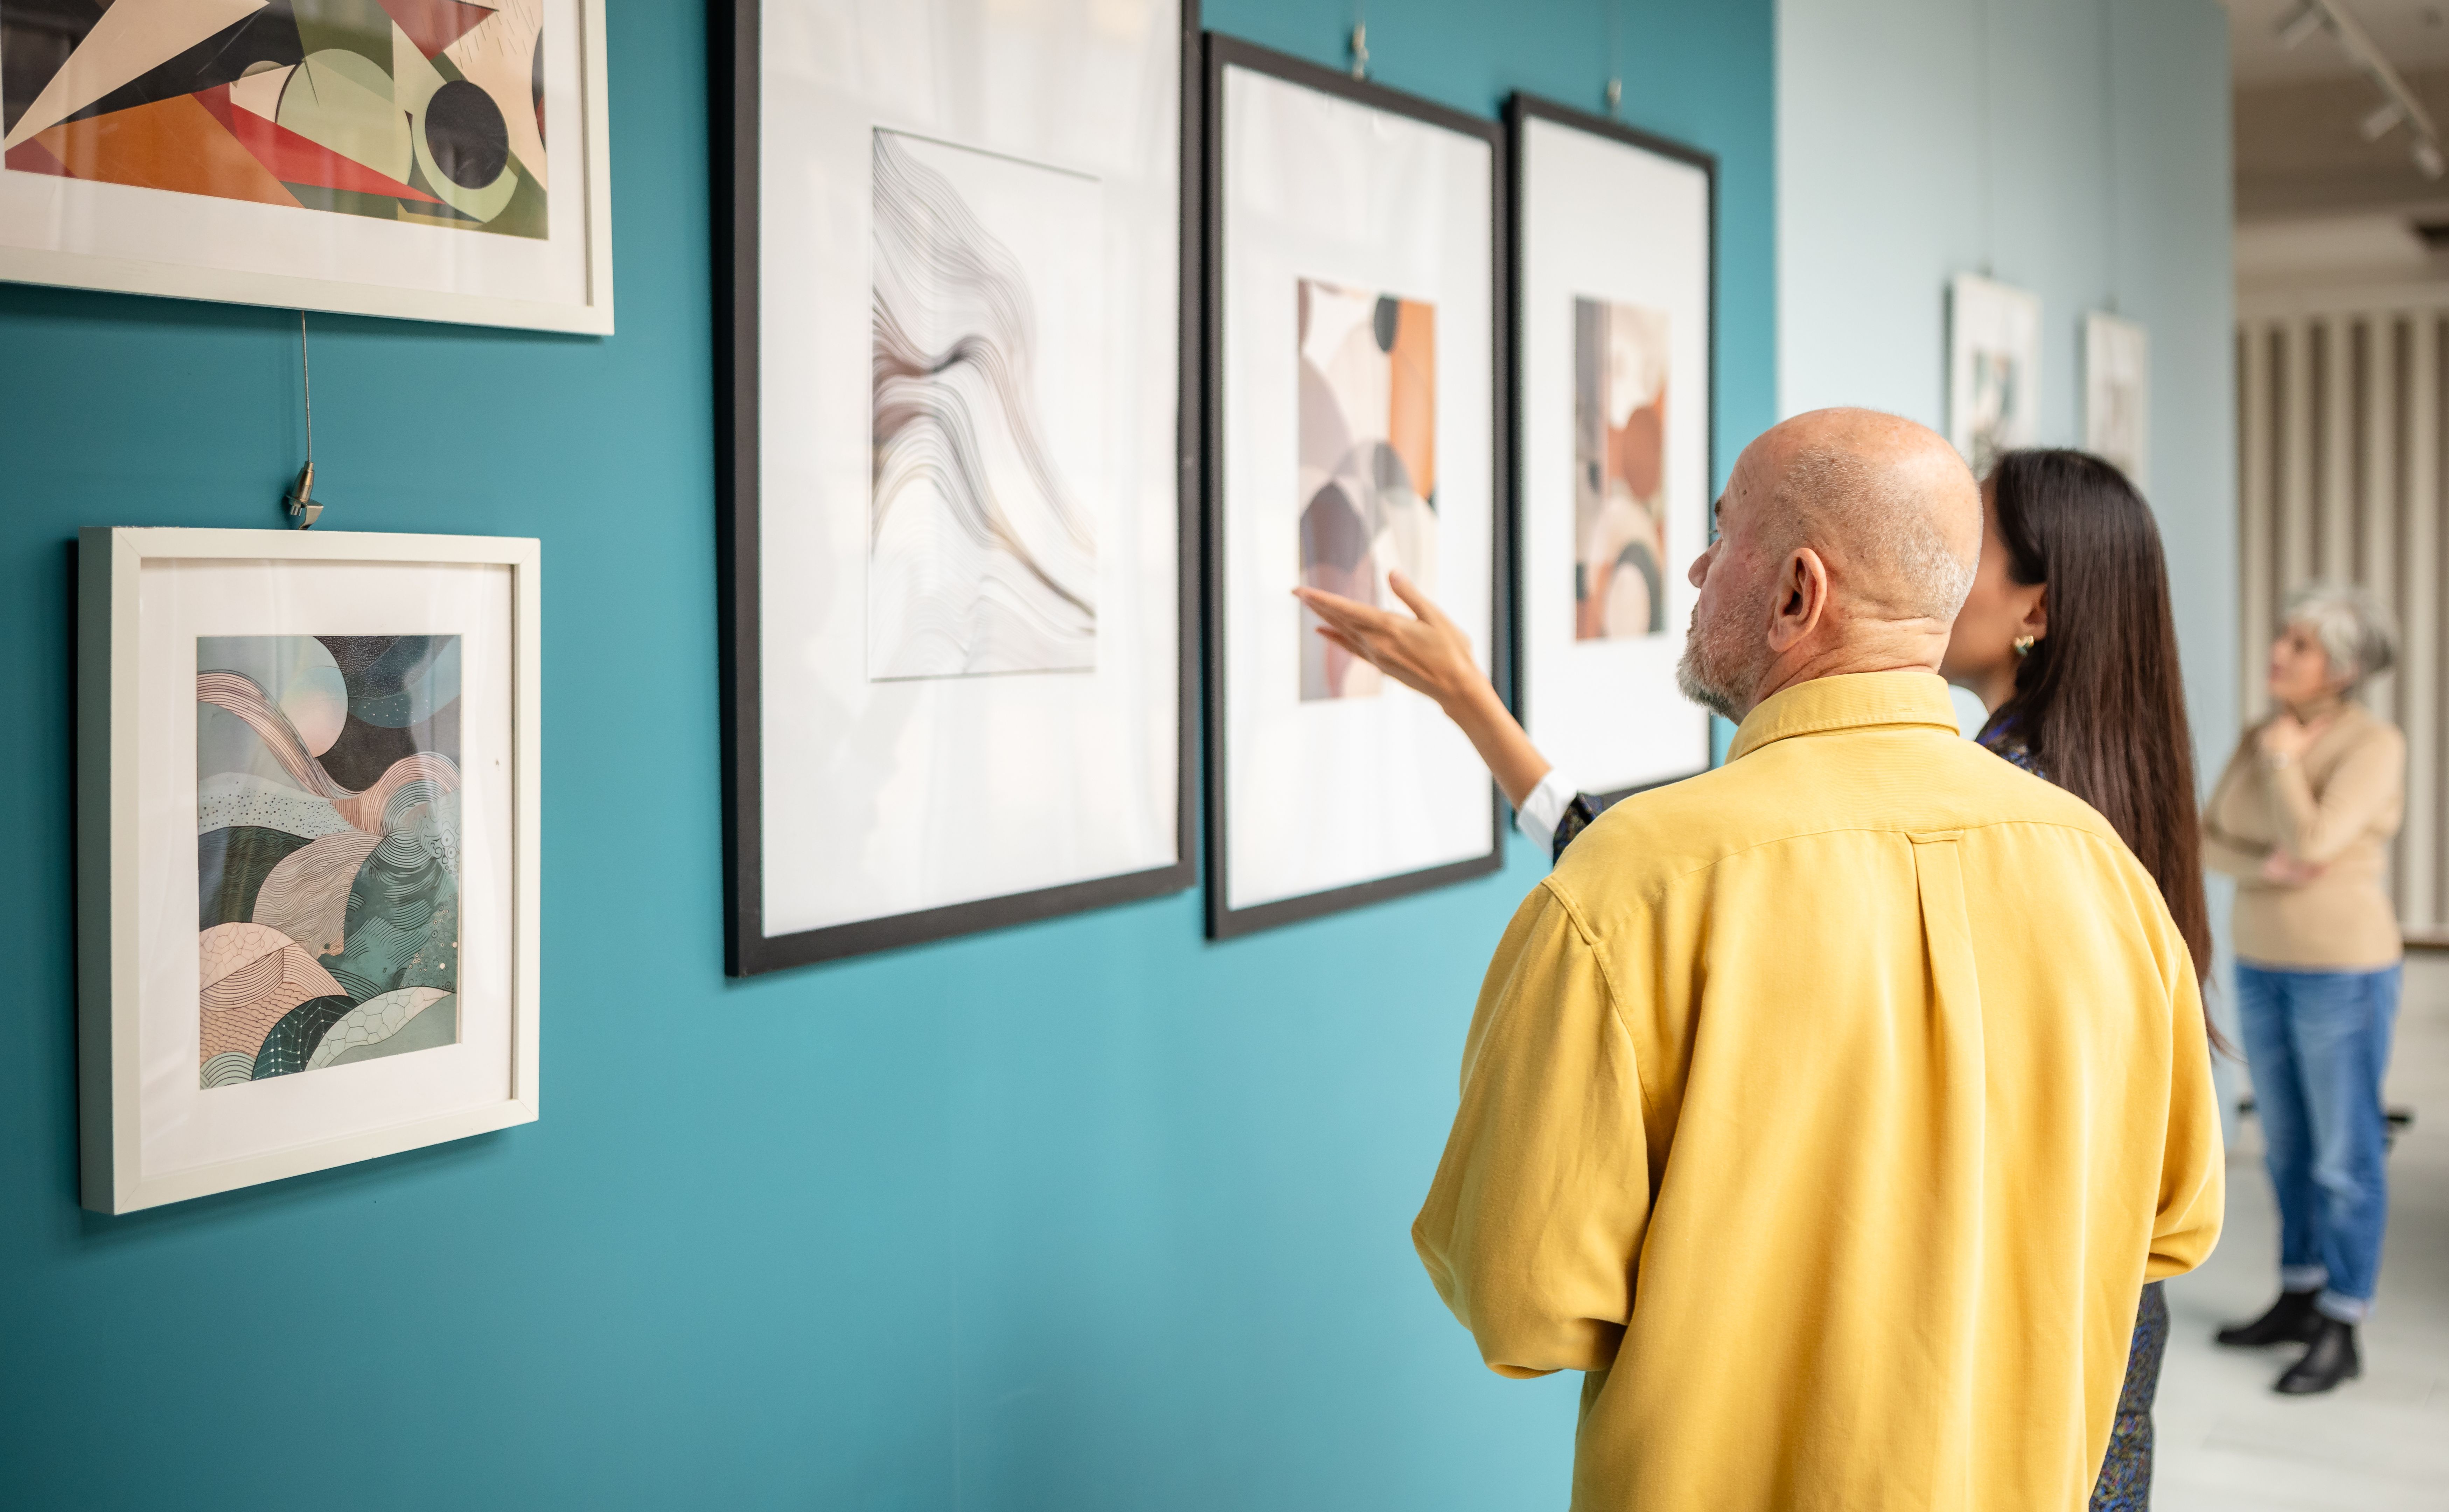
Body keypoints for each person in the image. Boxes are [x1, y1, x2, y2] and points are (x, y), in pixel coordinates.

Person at [1307, 408, 2223, 1510]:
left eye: (1719, 534)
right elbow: (2174, 1223)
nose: (1694, 569)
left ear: (1797, 593)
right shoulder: (2108, 876)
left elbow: (1520, 1303)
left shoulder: (1626, 889)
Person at [1936, 448, 2214, 1505]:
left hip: (2027, 1311)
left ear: (2037, 611)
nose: (1933, 566)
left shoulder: (2001, 813)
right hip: (2105, 1294)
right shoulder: (2110, 787)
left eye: (1965, 546)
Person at [2201, 584, 2405, 1395]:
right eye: (2283, 637)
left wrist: (2286, 762)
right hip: (2261, 962)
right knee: (2285, 1145)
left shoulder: (2372, 744)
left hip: (2343, 970)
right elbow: (2208, 838)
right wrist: (2269, 865)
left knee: (2343, 1155)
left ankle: (2342, 1320)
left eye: (2301, 645)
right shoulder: (2260, 733)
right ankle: (2298, 1292)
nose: (2279, 653)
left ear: (2344, 669)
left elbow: (2316, 840)